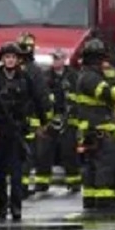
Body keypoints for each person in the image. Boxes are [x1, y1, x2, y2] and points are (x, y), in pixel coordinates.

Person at [0, 42, 50, 221]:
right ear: (2, 59)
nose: (10, 60)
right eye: (7, 57)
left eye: (13, 57)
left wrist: (43, 122)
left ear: (18, 60)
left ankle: (16, 208)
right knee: (0, 173)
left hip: (17, 131)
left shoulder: (25, 78)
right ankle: (2, 207)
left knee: (17, 173)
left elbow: (38, 100)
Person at [69, 38, 115, 212]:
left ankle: (91, 199)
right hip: (99, 131)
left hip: (90, 131)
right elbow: (108, 94)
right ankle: (104, 200)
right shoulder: (90, 77)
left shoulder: (87, 74)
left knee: (91, 167)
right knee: (105, 165)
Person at [33, 49, 79, 194]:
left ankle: (74, 182)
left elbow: (78, 97)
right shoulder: (46, 76)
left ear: (64, 59)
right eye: (54, 58)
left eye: (58, 58)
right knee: (44, 152)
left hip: (69, 119)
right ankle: (42, 182)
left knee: (69, 151)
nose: (55, 61)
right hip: (50, 120)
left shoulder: (73, 76)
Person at [17, 33, 48, 194]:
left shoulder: (11, 69)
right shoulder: (35, 71)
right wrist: (44, 121)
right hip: (30, 121)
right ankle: (22, 187)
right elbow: (42, 96)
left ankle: (17, 186)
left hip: (15, 120)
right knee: (28, 154)